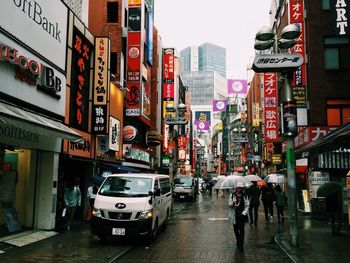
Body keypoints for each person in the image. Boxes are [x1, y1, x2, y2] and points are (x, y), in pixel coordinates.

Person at [228, 182, 250, 252]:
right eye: (237, 188)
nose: (239, 189)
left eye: (240, 188)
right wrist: (233, 203)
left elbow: (247, 205)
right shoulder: (232, 195)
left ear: (242, 188)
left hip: (242, 216)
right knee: (236, 230)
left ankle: (241, 245)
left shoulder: (244, 196)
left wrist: (244, 213)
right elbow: (229, 205)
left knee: (242, 229)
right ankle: (238, 240)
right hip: (235, 216)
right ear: (236, 188)